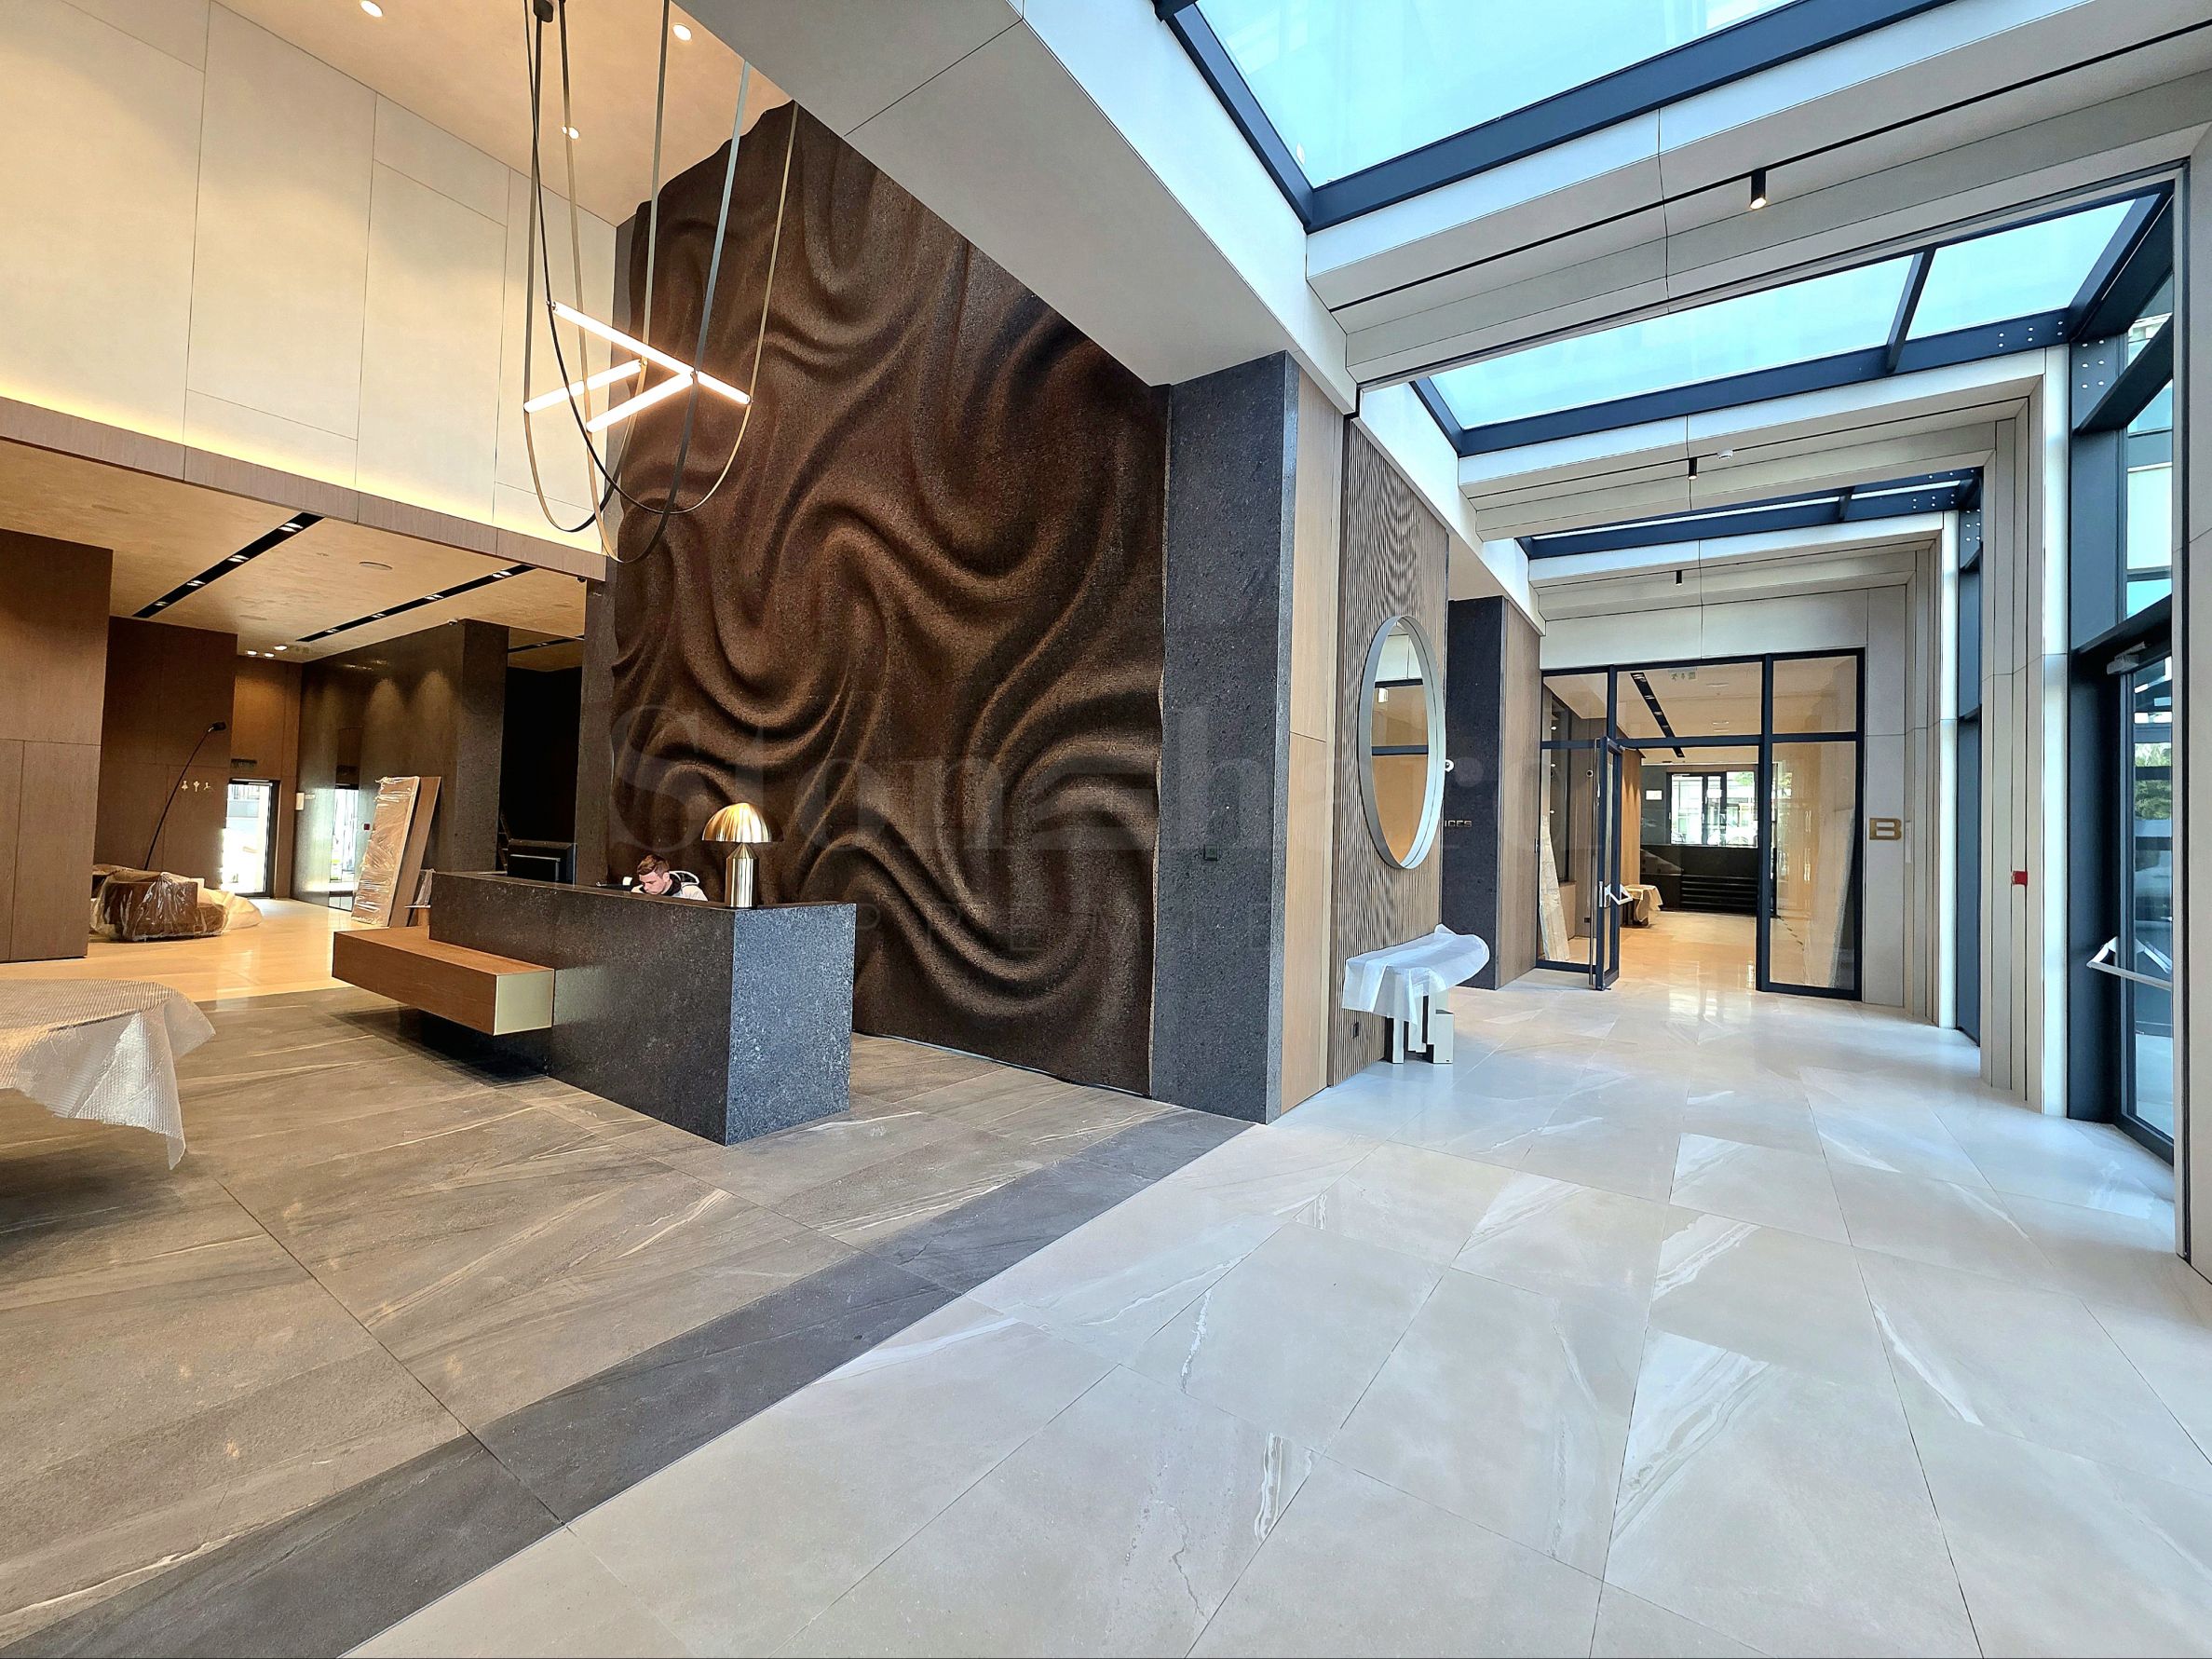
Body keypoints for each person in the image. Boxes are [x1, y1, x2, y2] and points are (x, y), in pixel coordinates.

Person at [634, 854, 707, 901]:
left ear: (666, 877)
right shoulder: (637, 893)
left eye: (651, 882)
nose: (646, 888)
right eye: (643, 883)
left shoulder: (690, 893)